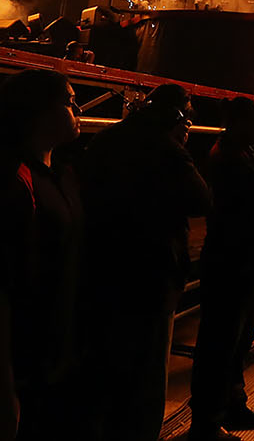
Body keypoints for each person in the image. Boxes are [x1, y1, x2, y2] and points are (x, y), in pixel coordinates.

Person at [0, 69, 83, 441]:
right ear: (38, 112)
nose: (79, 108)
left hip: (48, 357)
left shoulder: (59, 175)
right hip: (17, 365)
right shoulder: (10, 181)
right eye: (69, 102)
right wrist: (2, 389)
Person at [78, 83, 210, 441]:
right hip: (151, 274)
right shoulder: (167, 149)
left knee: (102, 371)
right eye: (186, 117)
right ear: (175, 115)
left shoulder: (106, 140)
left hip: (102, 267)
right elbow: (201, 199)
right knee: (147, 376)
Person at [187, 97, 254, 440]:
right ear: (236, 123)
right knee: (220, 344)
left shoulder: (251, 151)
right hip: (231, 263)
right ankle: (207, 423)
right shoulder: (226, 157)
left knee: (239, 341)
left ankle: (233, 404)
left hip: (250, 262)